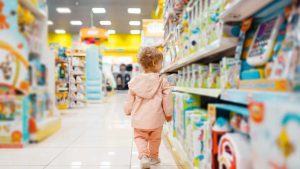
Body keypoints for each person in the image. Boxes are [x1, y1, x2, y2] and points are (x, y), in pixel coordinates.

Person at [124, 47, 173, 168]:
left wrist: (127, 110)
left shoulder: (135, 81)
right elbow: (167, 98)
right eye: (161, 63)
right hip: (156, 119)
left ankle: (143, 156)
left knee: (139, 137)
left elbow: (129, 100)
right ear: (154, 63)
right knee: (155, 139)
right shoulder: (162, 81)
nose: (162, 65)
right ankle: (154, 158)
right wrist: (168, 113)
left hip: (139, 119)